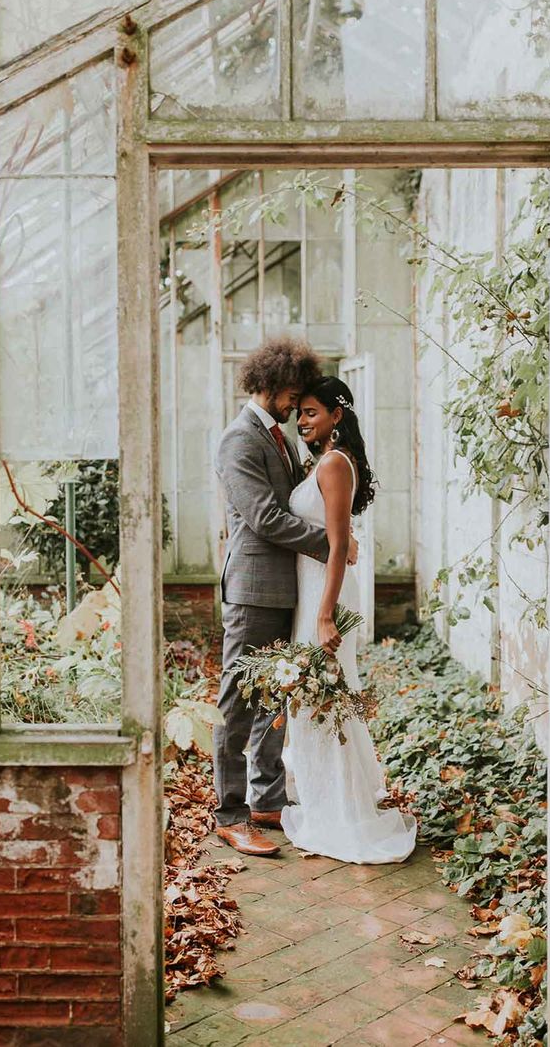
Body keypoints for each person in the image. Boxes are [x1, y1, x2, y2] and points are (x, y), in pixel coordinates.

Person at [213, 339, 358, 857]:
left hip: (287, 587)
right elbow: (264, 518)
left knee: (276, 696)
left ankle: (267, 799)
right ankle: (230, 815)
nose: (297, 406)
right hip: (253, 591)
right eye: (292, 396)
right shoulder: (239, 440)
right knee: (237, 700)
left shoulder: (276, 436)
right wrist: (333, 545)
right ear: (268, 386)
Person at [281, 376, 417, 863]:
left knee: (324, 703)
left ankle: (341, 812)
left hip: (327, 593)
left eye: (312, 412)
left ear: (337, 415)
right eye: (300, 413)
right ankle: (330, 803)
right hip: (314, 589)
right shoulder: (325, 461)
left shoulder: (335, 463)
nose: (303, 420)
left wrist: (323, 615)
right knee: (318, 702)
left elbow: (338, 546)